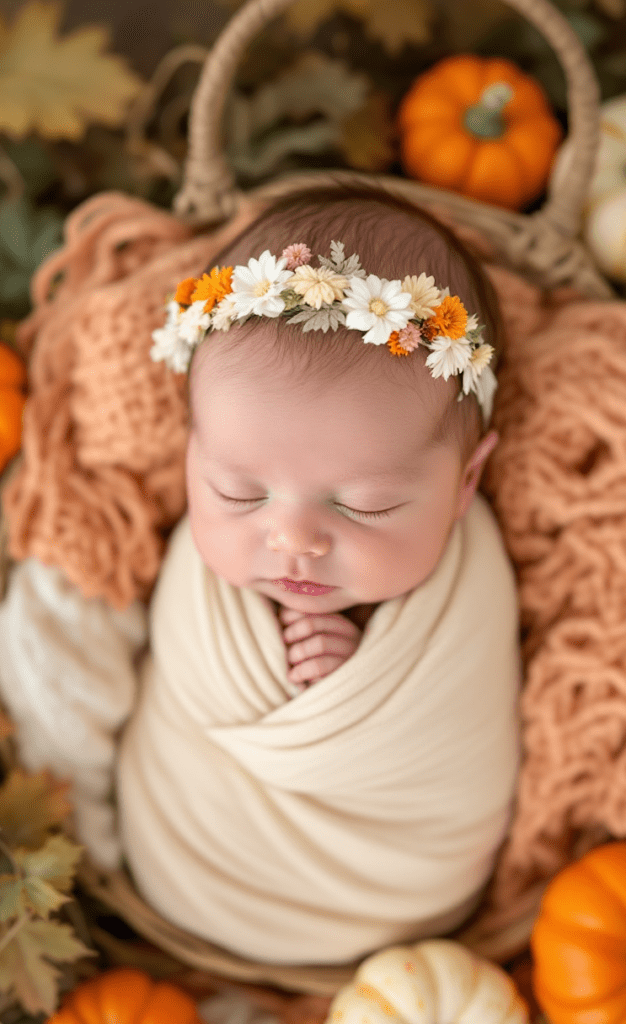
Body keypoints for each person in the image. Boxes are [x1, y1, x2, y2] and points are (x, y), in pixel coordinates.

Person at [116, 185, 522, 966]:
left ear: (464, 483)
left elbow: (453, 735)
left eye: (366, 506)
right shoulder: (186, 558)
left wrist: (347, 688)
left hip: (387, 909)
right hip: (187, 859)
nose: (293, 539)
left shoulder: (471, 590)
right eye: (238, 493)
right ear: (190, 452)